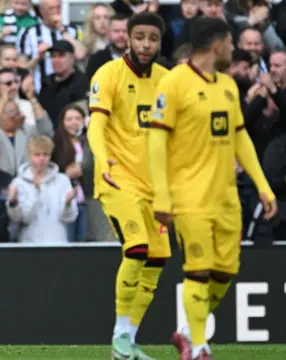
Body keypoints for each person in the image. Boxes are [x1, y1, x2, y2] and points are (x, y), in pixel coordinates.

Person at [147, 17, 277, 360]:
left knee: (224, 273)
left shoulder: (228, 85)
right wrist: (161, 193)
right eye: (231, 43)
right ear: (217, 45)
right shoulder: (174, 83)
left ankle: (188, 333)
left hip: (226, 199)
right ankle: (200, 348)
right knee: (198, 270)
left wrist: (263, 185)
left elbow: (239, 136)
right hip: (189, 198)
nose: (234, 49)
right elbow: (156, 139)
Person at [87, 12, 170, 360]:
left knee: (156, 262)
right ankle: (120, 334)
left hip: (156, 187)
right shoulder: (108, 74)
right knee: (136, 248)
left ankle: (126, 343)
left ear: (160, 41)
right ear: (128, 38)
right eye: (140, 38)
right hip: (117, 179)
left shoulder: (169, 81)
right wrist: (102, 159)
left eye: (153, 38)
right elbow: (95, 126)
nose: (146, 45)